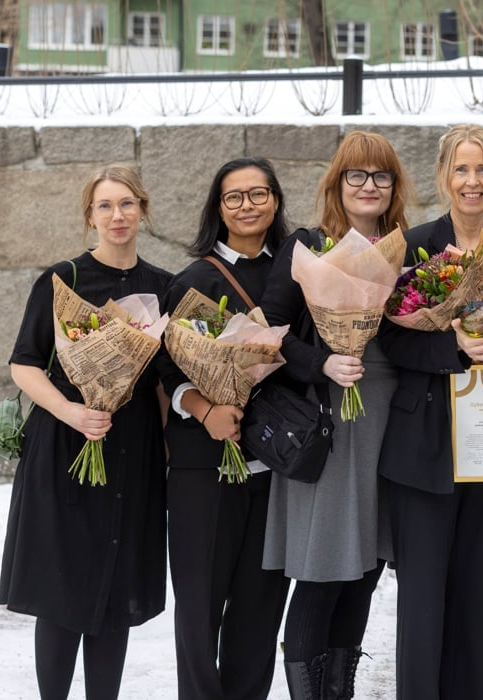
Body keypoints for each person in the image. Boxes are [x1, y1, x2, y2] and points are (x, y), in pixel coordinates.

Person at [0, 164, 170, 700]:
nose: (117, 215)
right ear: (89, 216)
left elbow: (165, 382)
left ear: (143, 209)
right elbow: (24, 363)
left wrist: (164, 449)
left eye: (126, 204)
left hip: (132, 449)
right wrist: (71, 412)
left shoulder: (164, 286)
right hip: (66, 446)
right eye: (105, 206)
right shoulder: (63, 279)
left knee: (116, 587)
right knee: (61, 586)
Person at [260, 131, 416, 699]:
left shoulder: (407, 249)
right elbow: (268, 333)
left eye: (381, 176)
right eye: (357, 175)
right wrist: (322, 363)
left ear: (394, 187)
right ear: (337, 183)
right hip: (327, 428)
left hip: (389, 425)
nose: (369, 186)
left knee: (365, 573)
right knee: (323, 573)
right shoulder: (307, 245)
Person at [378, 124, 483, 700]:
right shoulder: (413, 244)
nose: (473, 182)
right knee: (423, 600)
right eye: (461, 170)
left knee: (479, 595)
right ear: (443, 176)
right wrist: (452, 350)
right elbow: (390, 340)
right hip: (423, 444)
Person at [159, 157, 292, 700]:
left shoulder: (296, 272)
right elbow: (165, 371)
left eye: (258, 194)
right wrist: (204, 408)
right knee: (199, 610)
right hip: (203, 471)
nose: (247, 205)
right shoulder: (193, 280)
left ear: (275, 201)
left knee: (260, 611)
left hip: (275, 469)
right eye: (233, 197)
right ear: (218, 208)